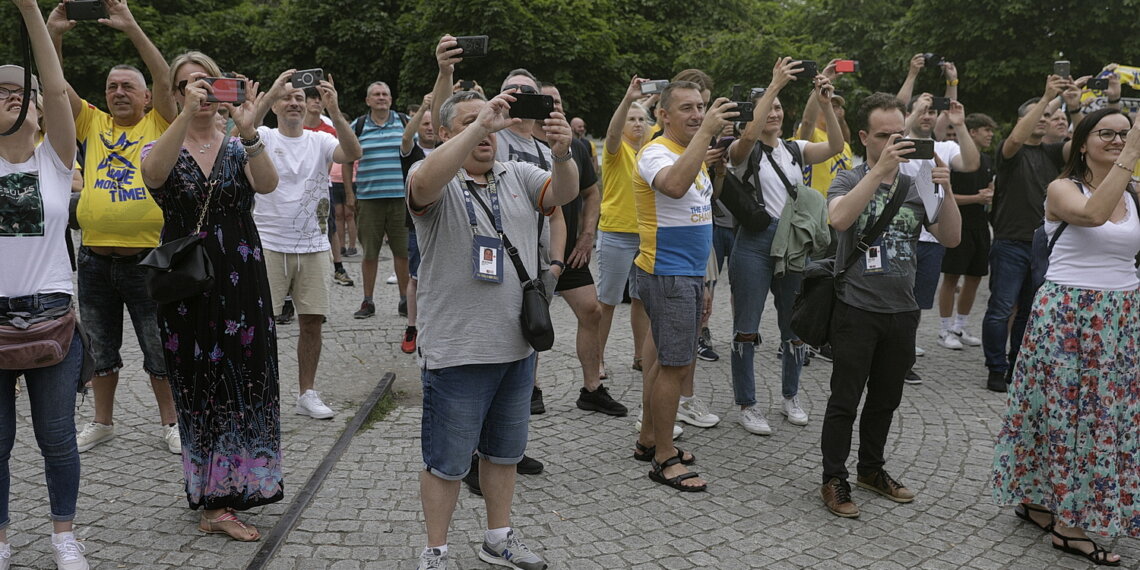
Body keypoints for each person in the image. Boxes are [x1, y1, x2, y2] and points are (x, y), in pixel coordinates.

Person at [410, 35, 579, 570]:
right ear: (444, 133)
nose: (485, 132)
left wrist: (562, 153)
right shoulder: (432, 178)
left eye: (489, 123)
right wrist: (477, 126)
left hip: (514, 345)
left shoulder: (517, 174)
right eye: (469, 124)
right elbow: (425, 181)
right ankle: (435, 551)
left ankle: (497, 538)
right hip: (458, 349)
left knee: (504, 454)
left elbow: (564, 195)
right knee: (446, 461)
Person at [139, 51, 281, 541]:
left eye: (207, 81)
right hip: (187, 283)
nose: (199, 90)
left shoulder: (239, 145)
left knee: (247, 372)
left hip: (242, 273)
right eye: (187, 84)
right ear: (176, 94)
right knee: (200, 384)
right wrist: (184, 117)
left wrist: (249, 130)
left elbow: (268, 184)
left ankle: (239, 486)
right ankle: (211, 500)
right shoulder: (162, 143)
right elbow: (154, 176)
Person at [992, 109, 1140, 567]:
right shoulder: (1063, 188)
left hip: (1119, 318)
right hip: (1070, 317)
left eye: (1123, 133)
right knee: (1068, 416)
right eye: (1106, 134)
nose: (1116, 140)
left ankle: (1037, 500)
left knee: (1097, 415)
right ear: (1081, 143)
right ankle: (1069, 528)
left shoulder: (1133, 194)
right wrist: (1132, 152)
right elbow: (1093, 215)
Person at [47, 0, 181, 455]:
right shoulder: (93, 122)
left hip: (147, 259)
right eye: (111, 86)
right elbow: (54, 86)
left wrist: (132, 27)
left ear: (145, 98)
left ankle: (171, 423)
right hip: (96, 258)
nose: (119, 92)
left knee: (159, 350)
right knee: (100, 349)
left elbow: (165, 77)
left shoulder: (160, 122)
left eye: (128, 86)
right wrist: (54, 34)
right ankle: (102, 422)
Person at [819, 92, 961, 518]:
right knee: (845, 398)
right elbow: (839, 219)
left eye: (900, 134)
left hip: (902, 309)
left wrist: (947, 191)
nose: (894, 142)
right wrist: (879, 170)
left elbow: (951, 238)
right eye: (884, 136)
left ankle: (871, 470)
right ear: (864, 137)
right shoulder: (847, 178)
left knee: (886, 398)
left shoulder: (917, 184)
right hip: (856, 307)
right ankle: (834, 478)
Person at [0, 3, 88, 567]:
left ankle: (63, 536)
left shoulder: (56, 161)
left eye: (20, 92)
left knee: (57, 439)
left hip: (54, 317)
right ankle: (2, 542)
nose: (11, 96)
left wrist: (31, 9)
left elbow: (56, 91)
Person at [727, 57, 842, 435]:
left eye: (777, 107)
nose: (772, 113)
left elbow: (836, 146)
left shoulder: (795, 148)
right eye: (766, 108)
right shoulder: (741, 150)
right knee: (746, 326)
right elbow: (745, 142)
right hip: (755, 243)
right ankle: (747, 404)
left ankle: (791, 396)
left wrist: (825, 101)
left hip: (793, 244)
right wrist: (774, 86)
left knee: (795, 325)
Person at [633, 80, 736, 492]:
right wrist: (708, 131)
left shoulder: (688, 153)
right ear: (664, 115)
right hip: (667, 273)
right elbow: (674, 187)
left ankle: (647, 439)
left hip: (688, 274)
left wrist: (705, 281)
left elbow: (697, 215)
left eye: (702, 106)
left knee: (664, 362)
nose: (697, 114)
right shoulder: (656, 151)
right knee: (675, 366)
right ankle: (663, 457)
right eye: (688, 108)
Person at [253, 70, 362, 419]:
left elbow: (352, 151)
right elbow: (238, 135)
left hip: (314, 245)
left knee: (311, 322)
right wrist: (270, 93)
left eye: (299, 98)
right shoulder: (265, 136)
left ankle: (307, 393)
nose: (294, 102)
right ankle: (260, 393)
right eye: (287, 98)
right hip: (268, 242)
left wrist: (337, 111)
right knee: (260, 324)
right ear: (275, 106)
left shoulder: (319, 140)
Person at [536, 83, 627, 417]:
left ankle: (591, 388)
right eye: (546, 101)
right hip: (531, 253)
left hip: (572, 251)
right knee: (531, 320)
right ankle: (530, 389)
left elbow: (591, 193)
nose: (553, 107)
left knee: (592, 311)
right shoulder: (519, 145)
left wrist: (588, 234)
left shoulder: (574, 145)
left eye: (558, 101)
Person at [981, 76, 1074, 392]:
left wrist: (1075, 105)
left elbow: (1084, 141)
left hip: (1043, 245)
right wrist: (1046, 97)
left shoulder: (1051, 153)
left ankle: (1015, 366)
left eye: (1048, 116)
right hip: (1009, 242)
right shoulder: (1012, 153)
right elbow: (1015, 140)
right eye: (1039, 114)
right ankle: (995, 367)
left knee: (1030, 312)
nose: (1045, 120)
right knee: (1001, 309)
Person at [347, 81, 412, 319]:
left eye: (385, 93)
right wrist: (349, 193)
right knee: (369, 253)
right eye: (376, 94)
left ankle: (405, 300)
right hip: (369, 198)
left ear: (391, 99)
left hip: (400, 198)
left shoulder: (405, 123)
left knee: (402, 252)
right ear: (368, 101)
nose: (381, 97)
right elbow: (346, 160)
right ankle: (368, 301)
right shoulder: (359, 126)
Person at [936, 113, 996, 351]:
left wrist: (991, 193)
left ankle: (961, 326)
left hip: (981, 227)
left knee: (975, 277)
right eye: (985, 130)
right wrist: (976, 198)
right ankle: (944, 329)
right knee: (951, 277)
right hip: (958, 225)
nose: (990, 134)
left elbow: (989, 190)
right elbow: (945, 197)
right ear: (971, 132)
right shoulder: (955, 160)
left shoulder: (988, 160)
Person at [301, 87, 354, 287]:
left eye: (319, 98)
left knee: (328, 226)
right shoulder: (297, 123)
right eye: (312, 98)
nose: (316, 102)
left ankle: (337, 266)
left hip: (322, 185)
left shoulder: (329, 126)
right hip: (296, 185)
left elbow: (329, 160)